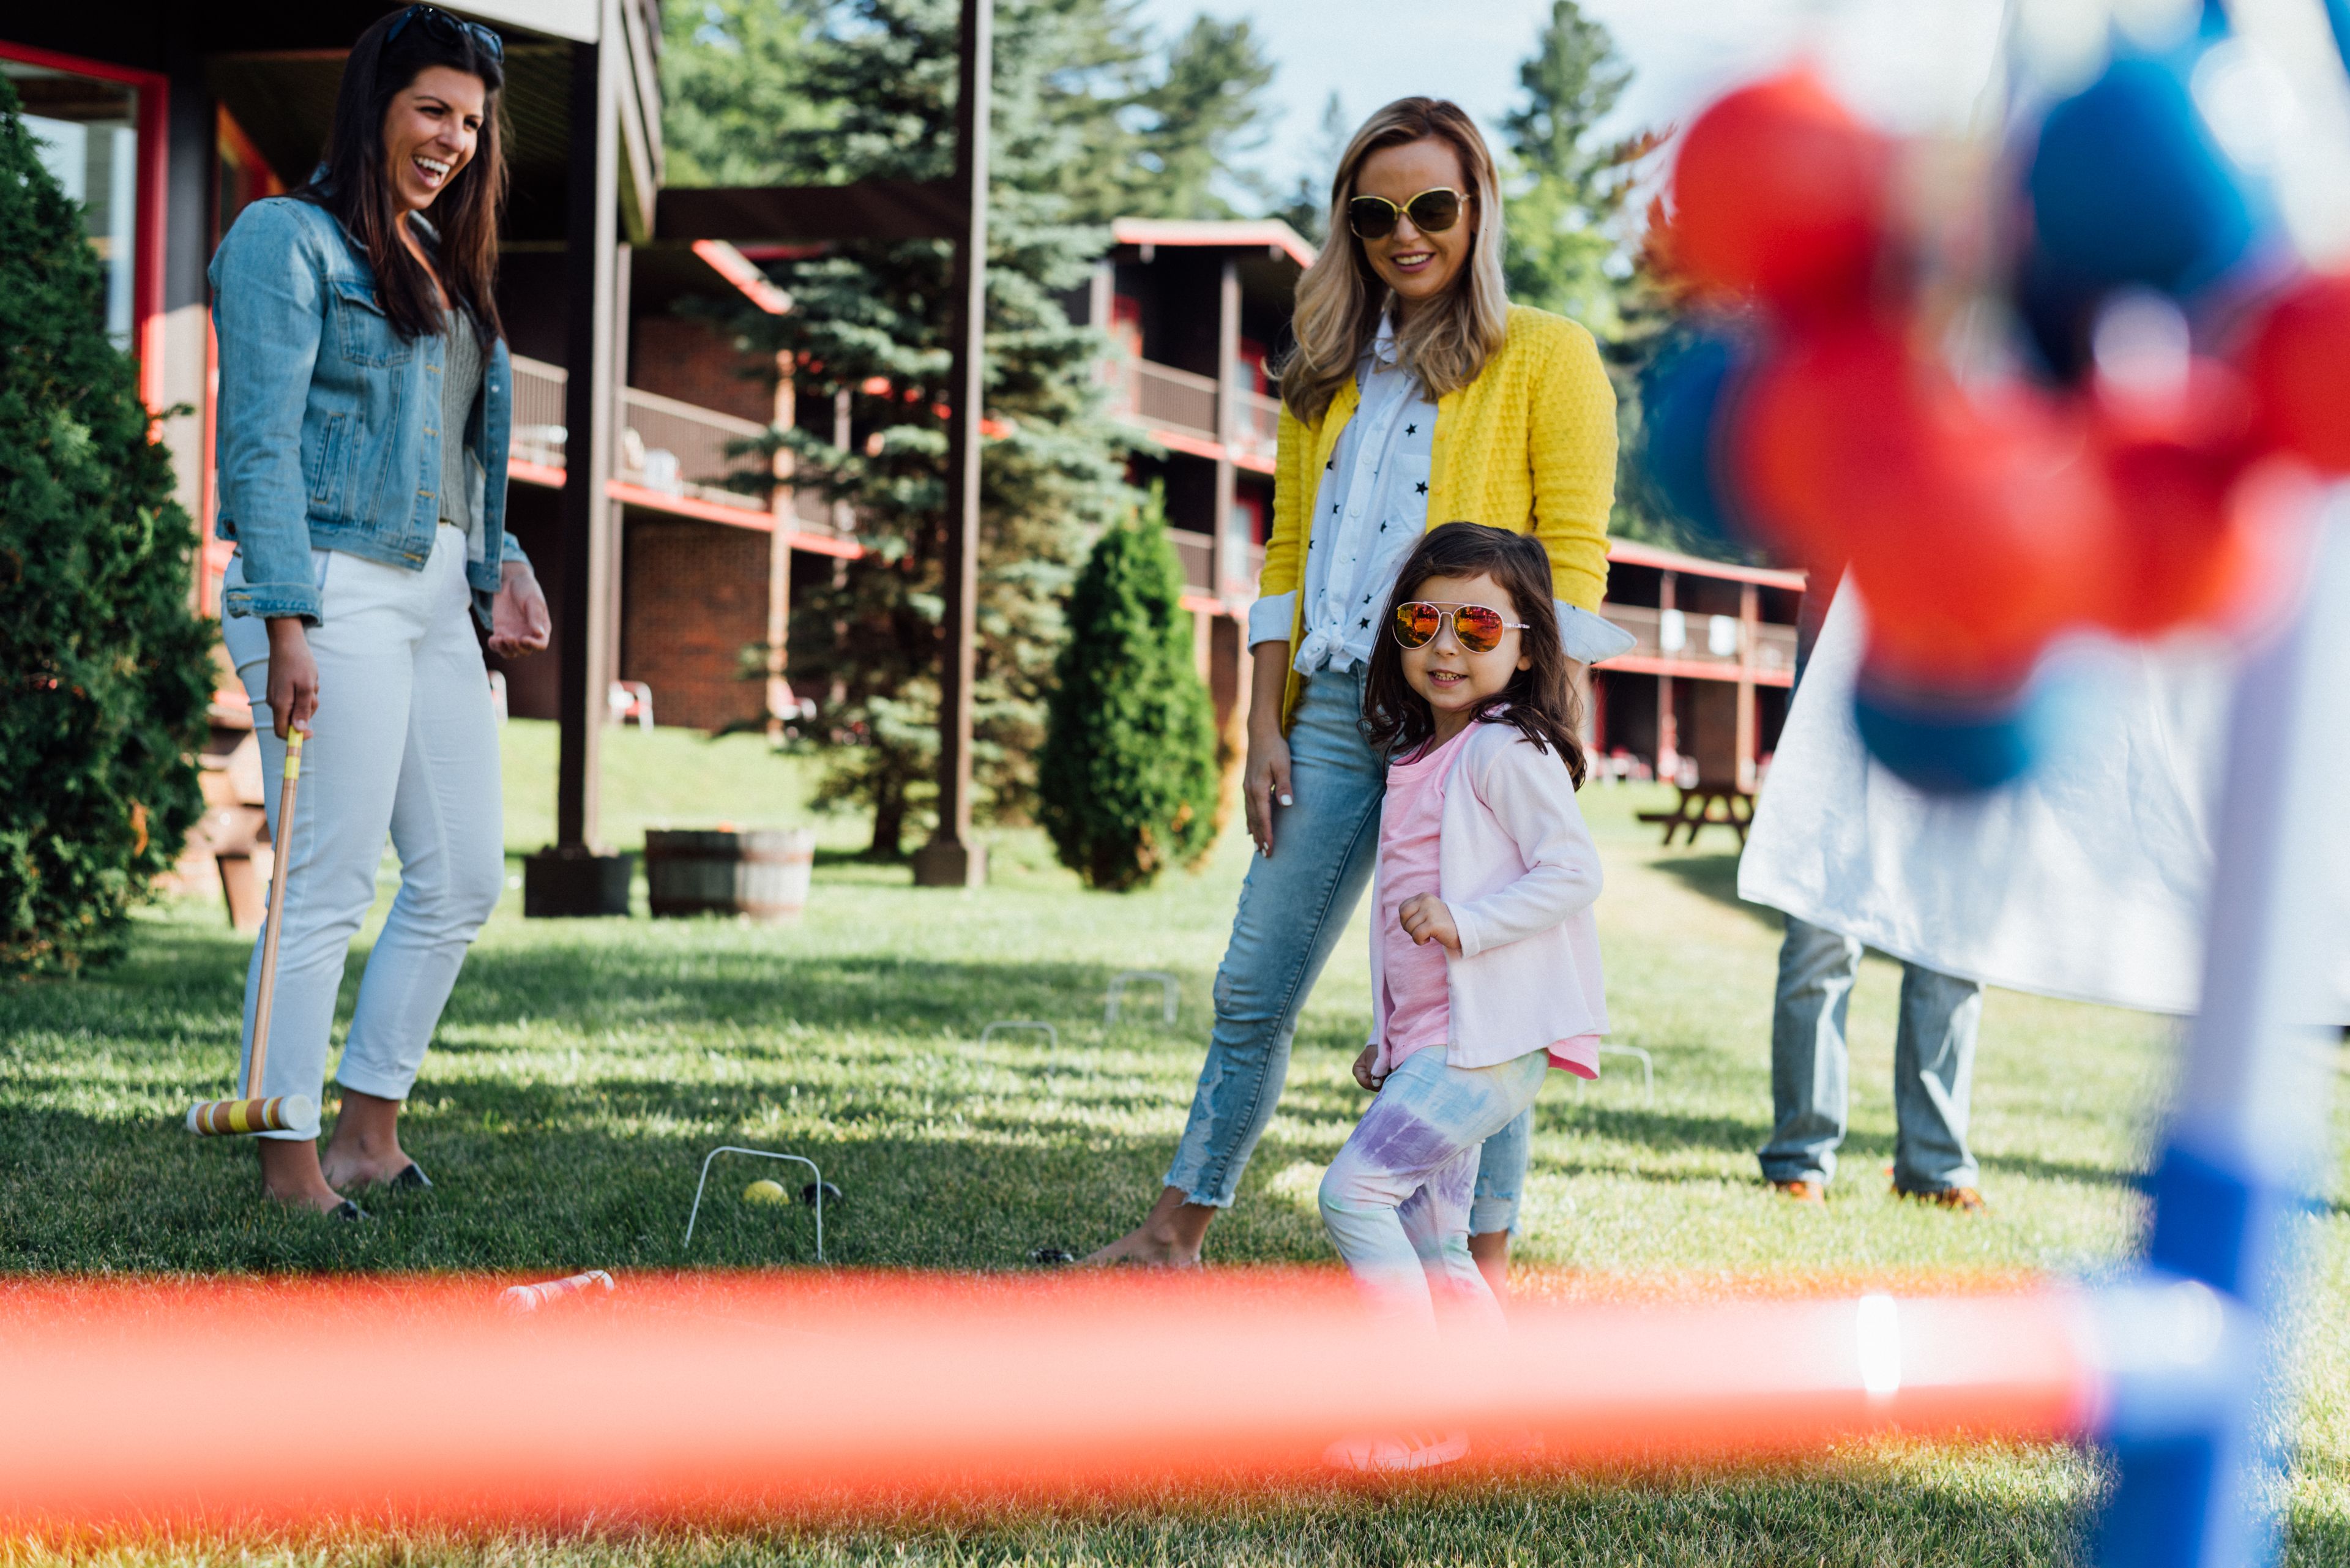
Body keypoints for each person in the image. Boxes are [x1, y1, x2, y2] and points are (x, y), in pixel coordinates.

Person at [1087, 96, 1628, 1271]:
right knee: (1253, 980)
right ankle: (1173, 1235)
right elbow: (1286, 554)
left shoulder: (1548, 354)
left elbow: (1573, 560)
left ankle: (1481, 1279)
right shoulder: (1324, 368)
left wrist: (1543, 724)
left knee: (1483, 1001)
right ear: (1350, 224)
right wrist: (1262, 722)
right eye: (1376, 212)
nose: (1407, 232)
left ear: (1477, 209)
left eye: (1433, 205)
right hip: (1333, 709)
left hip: (1471, 719)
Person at [209, 4, 550, 1217]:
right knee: (327, 878)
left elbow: (454, 447)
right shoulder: (284, 241)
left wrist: (495, 554)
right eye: (431, 110)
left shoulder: (442, 263)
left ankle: (368, 1133)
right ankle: (287, 1159)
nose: (453, 139)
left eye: (470, 121)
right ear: (374, 106)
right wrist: (288, 620)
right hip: (330, 585)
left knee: (460, 875)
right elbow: (257, 444)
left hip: (428, 595)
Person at [1316, 524, 1605, 1471]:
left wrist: (1469, 922)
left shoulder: (1503, 750)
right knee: (1435, 1239)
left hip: (1488, 1044)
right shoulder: (1420, 757)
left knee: (1354, 1190)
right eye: (1423, 620)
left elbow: (1573, 871)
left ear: (1525, 647)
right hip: (1438, 1043)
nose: (1446, 645)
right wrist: (1385, 1034)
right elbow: (1404, 929)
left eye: (1478, 624)